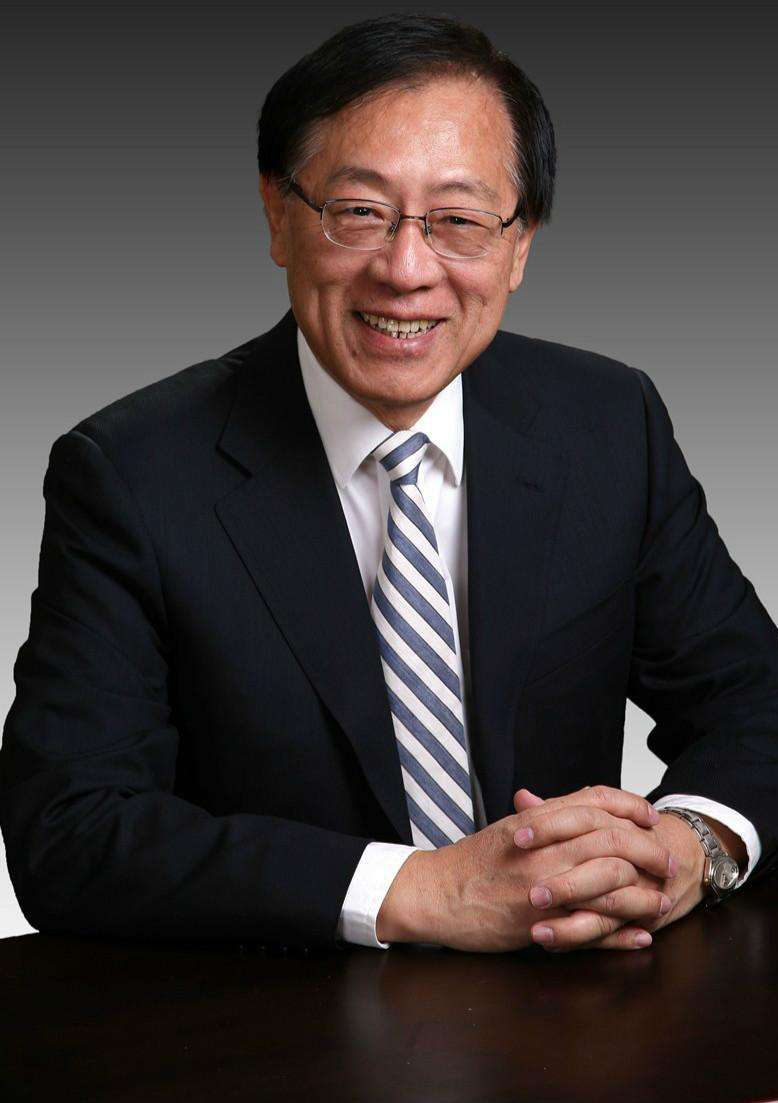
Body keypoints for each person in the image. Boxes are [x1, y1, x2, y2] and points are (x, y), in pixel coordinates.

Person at [1, 13, 776, 955]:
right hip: (275, 1013)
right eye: (359, 211)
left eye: (460, 221)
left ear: (520, 245)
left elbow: (756, 700)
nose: (407, 270)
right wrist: (419, 889)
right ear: (278, 214)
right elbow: (67, 830)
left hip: (576, 991)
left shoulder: (608, 424)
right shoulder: (131, 473)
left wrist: (690, 845)